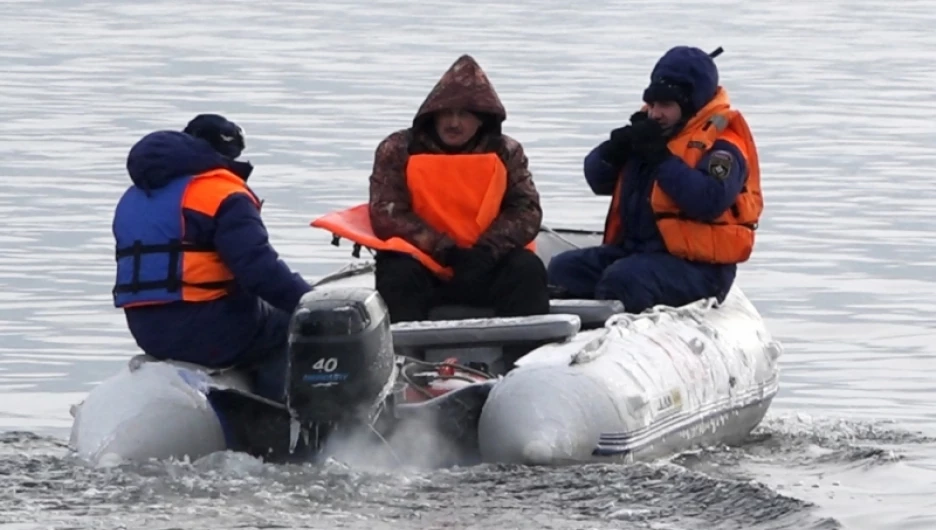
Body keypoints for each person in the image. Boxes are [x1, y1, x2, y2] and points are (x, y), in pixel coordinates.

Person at [111, 114, 313, 401]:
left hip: (146, 330)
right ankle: (281, 417)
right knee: (287, 327)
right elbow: (260, 272)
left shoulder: (134, 197)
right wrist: (311, 304)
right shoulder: (223, 193)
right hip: (207, 330)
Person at [547, 46, 763, 313]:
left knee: (625, 280)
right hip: (638, 252)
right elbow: (597, 179)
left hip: (699, 268)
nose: (655, 113)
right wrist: (616, 148)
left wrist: (660, 158)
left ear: (690, 105)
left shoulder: (723, 147)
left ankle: (621, 338)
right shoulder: (649, 133)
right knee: (562, 269)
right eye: (652, 104)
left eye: (665, 105)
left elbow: (710, 199)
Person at [365, 54, 551, 328]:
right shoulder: (398, 148)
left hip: (487, 263)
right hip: (423, 264)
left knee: (527, 270)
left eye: (464, 114)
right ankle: (402, 358)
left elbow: (526, 211)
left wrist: (487, 252)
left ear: (482, 119)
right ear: (433, 114)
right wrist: (445, 251)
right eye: (447, 113)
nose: (454, 122)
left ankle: (524, 359)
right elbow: (387, 214)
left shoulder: (506, 151)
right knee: (396, 271)